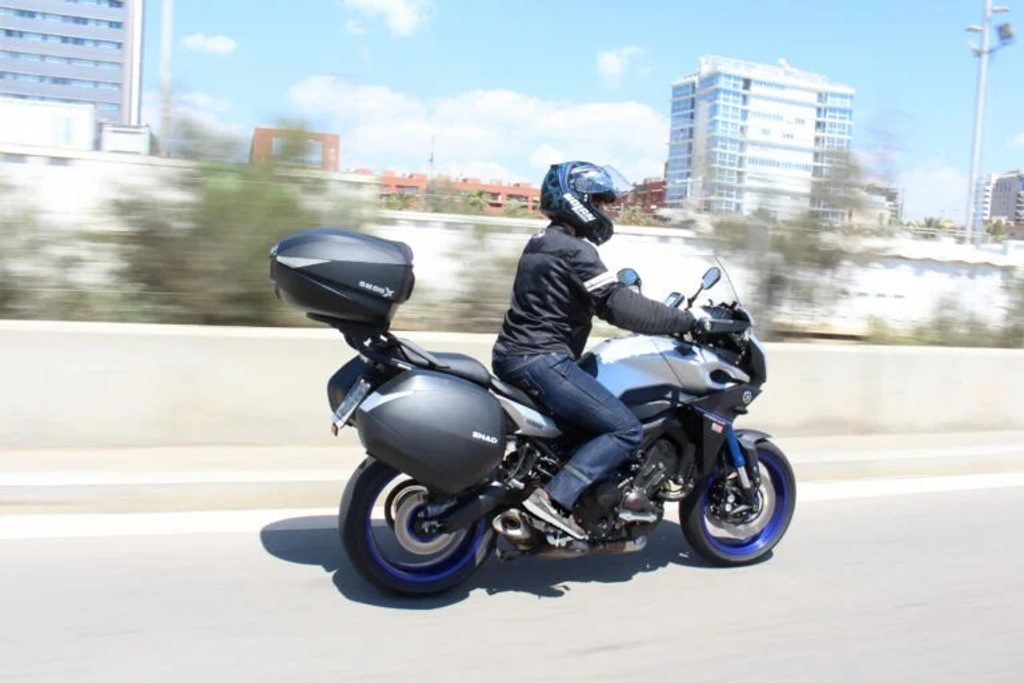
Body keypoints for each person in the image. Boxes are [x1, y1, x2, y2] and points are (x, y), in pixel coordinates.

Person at [492, 161, 699, 539]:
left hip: (517, 357)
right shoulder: (575, 251)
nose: (607, 209)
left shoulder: (542, 243)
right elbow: (617, 305)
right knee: (625, 429)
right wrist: (685, 320)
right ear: (578, 202)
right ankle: (554, 499)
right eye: (601, 201)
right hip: (542, 360)